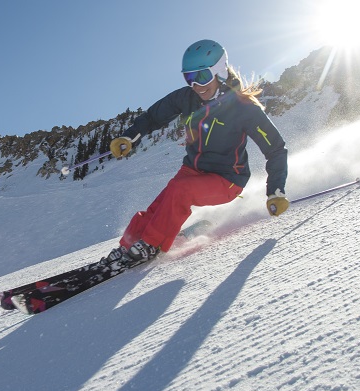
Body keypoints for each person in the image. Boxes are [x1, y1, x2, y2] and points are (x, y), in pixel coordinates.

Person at [104, 39, 289, 265]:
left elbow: (276, 149)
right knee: (162, 204)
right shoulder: (186, 98)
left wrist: (275, 190)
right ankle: (129, 244)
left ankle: (151, 246)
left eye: (202, 76)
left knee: (180, 192)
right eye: (189, 78)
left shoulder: (244, 109)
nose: (197, 85)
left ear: (220, 71)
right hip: (192, 170)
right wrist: (129, 137)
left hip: (228, 179)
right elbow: (153, 117)